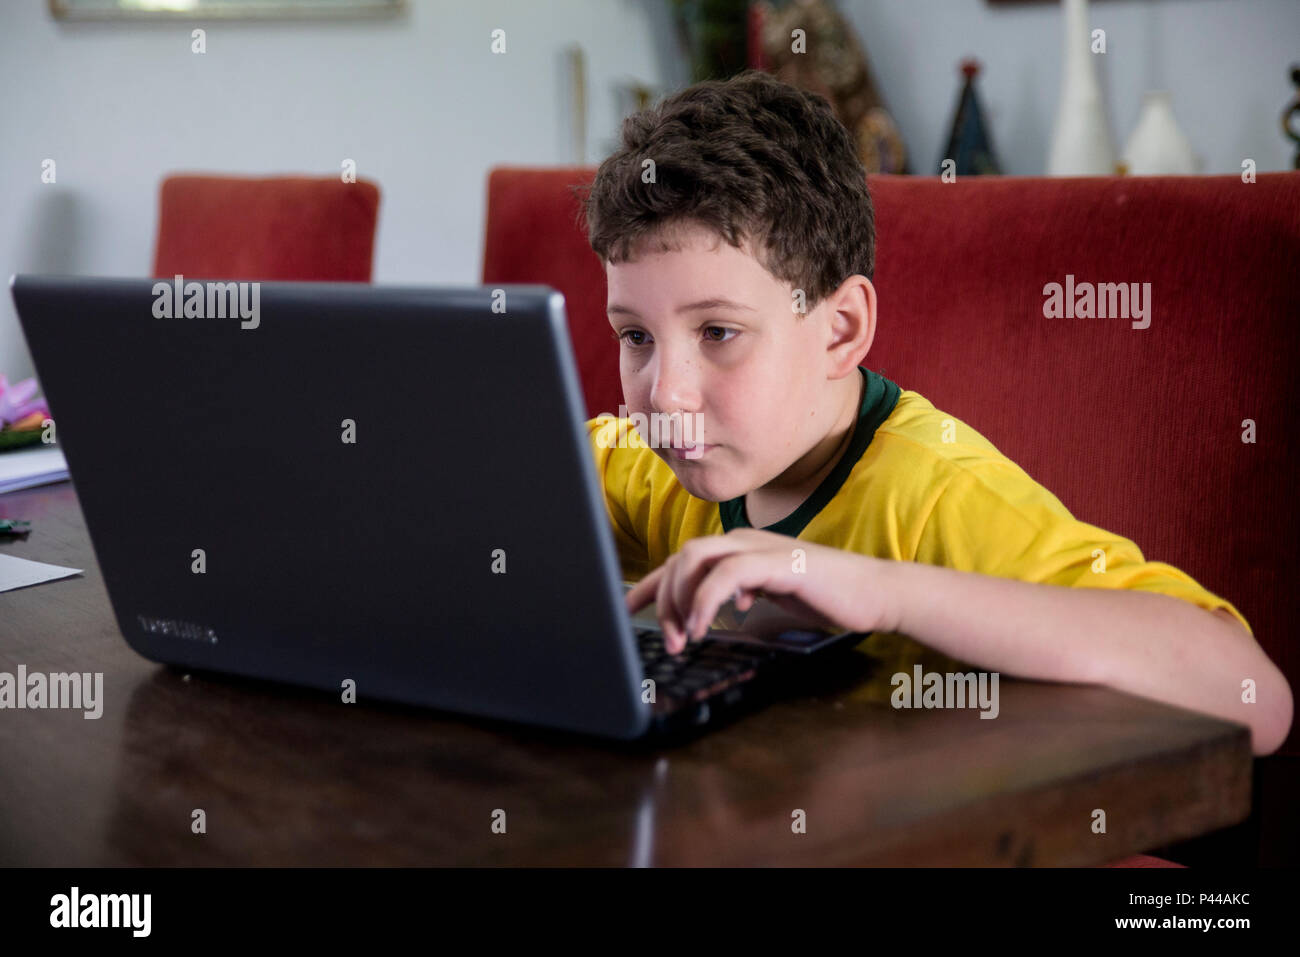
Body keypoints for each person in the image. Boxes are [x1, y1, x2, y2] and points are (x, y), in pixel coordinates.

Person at [580, 70, 1292, 756]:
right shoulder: (654, 464)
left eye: (718, 333)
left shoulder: (940, 495)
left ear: (840, 329)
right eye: (635, 336)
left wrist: (882, 591)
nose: (665, 394)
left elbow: (1255, 697)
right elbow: (504, 484)